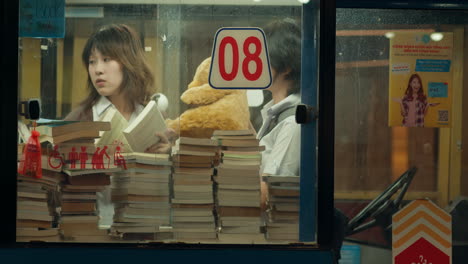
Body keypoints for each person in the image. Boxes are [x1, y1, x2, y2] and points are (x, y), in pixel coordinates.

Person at [64, 24, 157, 228]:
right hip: (92, 229)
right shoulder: (80, 119)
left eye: (106, 59)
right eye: (92, 62)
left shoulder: (148, 115)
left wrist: (165, 157)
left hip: (142, 227)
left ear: (128, 61)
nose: (98, 69)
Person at [256, 18, 302, 207]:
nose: (255, 66)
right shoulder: (272, 113)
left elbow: (270, 192)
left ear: (286, 68)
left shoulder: (293, 121)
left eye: (263, 60)